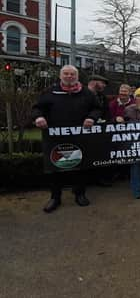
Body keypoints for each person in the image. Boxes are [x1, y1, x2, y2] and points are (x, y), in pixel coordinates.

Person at [32, 65, 101, 213]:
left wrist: (91, 118)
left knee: (80, 166)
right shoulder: (50, 91)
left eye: (72, 74)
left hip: (80, 136)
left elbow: (97, 108)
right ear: (60, 76)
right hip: (55, 137)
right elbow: (37, 108)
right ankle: (55, 197)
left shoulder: (86, 93)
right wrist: (38, 117)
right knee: (55, 167)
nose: (69, 76)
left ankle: (80, 193)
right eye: (66, 74)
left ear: (77, 77)